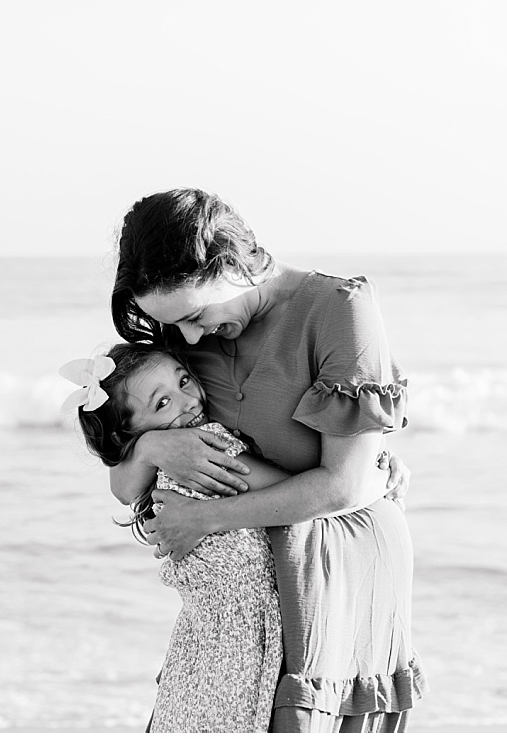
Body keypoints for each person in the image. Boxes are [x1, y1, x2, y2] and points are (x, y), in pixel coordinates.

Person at [106, 189, 425, 732]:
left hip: (338, 558)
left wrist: (207, 518)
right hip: (240, 604)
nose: (186, 337)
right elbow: (124, 477)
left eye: (193, 315)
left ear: (231, 264)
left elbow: (344, 487)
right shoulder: (184, 332)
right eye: (173, 324)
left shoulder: (337, 310)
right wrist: (153, 447)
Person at [65, 343, 288, 732]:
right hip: (239, 651)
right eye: (162, 403)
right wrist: (369, 477)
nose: (188, 401)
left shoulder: (157, 477)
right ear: (131, 434)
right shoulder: (201, 449)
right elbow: (295, 492)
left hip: (197, 647)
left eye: (184, 381)